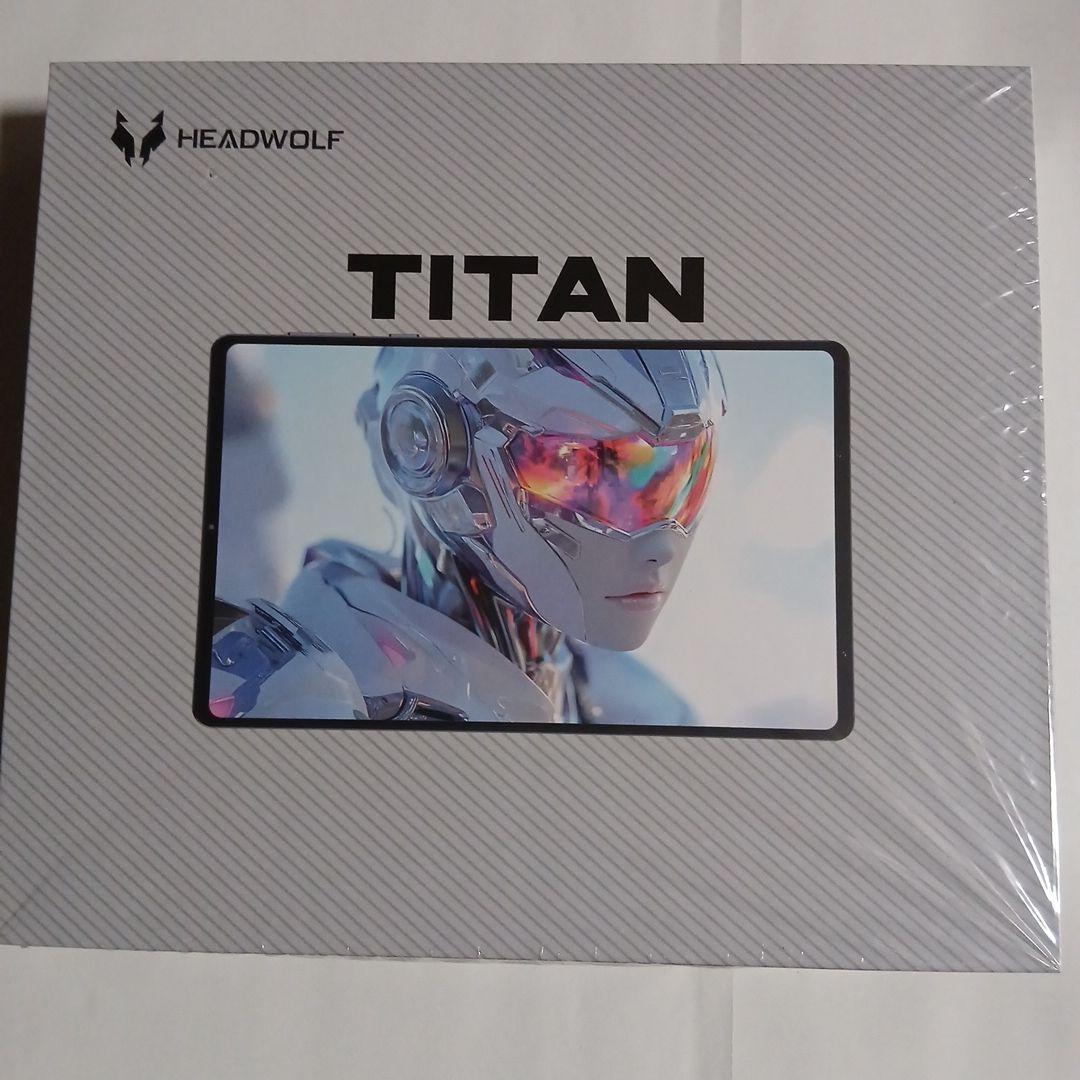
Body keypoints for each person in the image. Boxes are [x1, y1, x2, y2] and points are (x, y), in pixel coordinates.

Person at [208, 344, 725, 726]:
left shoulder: (646, 709)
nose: (661, 544)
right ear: (426, 447)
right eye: (572, 468)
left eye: (676, 475)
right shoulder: (281, 693)